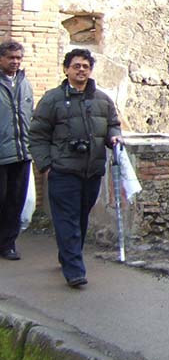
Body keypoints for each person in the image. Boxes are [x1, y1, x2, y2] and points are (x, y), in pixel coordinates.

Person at [29, 48, 122, 288]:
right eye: (77, 66)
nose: (81, 70)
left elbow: (113, 124)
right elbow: (37, 135)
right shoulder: (52, 99)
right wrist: (46, 166)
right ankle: (74, 270)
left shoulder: (102, 99)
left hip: (92, 171)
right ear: (66, 69)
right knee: (67, 220)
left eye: (86, 66)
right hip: (63, 171)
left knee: (80, 219)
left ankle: (68, 256)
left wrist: (114, 137)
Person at [0, 40, 34, 261]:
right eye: (11, 58)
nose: (15, 62)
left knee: (15, 201)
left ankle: (8, 244)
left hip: (21, 153)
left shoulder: (24, 83)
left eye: (18, 58)